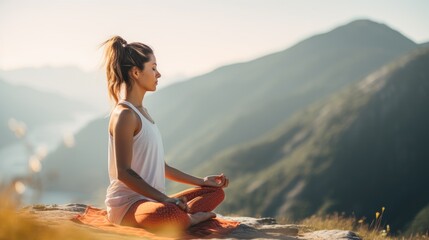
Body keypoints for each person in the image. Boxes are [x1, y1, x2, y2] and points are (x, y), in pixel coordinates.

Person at [102, 36, 229, 233]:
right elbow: (123, 172)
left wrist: (202, 182)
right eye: (153, 68)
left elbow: (161, 166)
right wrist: (165, 199)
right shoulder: (125, 115)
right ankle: (187, 219)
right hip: (128, 205)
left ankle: (182, 216)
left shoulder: (142, 113)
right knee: (169, 213)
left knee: (216, 193)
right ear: (136, 72)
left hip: (152, 202)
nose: (158, 74)